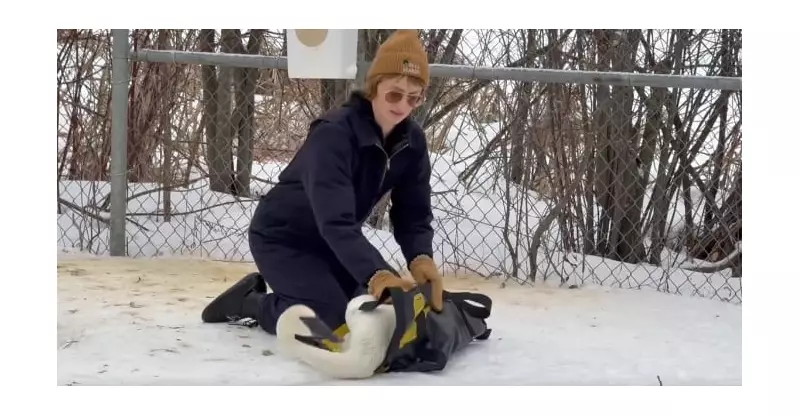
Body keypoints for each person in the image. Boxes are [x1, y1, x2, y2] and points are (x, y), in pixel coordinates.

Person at [201, 29, 445, 337]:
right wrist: (377, 273)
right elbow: (336, 220)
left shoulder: (412, 142)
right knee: (330, 322)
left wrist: (421, 258)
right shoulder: (334, 134)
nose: (403, 106)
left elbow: (413, 212)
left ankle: (317, 290)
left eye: (414, 98)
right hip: (283, 238)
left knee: (386, 311)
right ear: (374, 86)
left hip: (333, 243)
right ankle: (251, 302)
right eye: (394, 94)